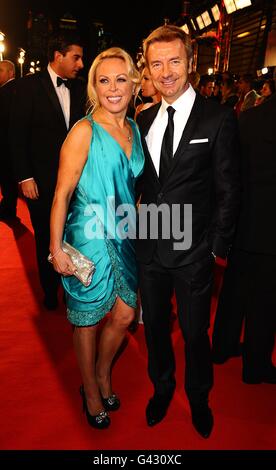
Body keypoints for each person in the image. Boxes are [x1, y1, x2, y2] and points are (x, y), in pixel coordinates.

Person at [136, 25, 240, 438]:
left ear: (191, 63)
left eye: (174, 61)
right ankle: (162, 389)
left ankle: (199, 397)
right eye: (156, 63)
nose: (165, 72)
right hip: (149, 249)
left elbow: (229, 189)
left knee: (196, 332)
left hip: (194, 251)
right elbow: (142, 185)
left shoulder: (218, 118)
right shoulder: (143, 119)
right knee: (157, 328)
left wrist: (214, 249)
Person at [49, 47, 144, 429]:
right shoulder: (84, 130)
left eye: (121, 79)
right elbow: (61, 194)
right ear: (93, 86)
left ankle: (103, 373)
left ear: (134, 83)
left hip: (124, 233)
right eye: (103, 80)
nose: (113, 88)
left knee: (124, 314)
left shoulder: (134, 128)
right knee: (86, 320)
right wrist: (56, 248)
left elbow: (132, 187)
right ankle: (90, 390)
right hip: (88, 235)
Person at [11, 31, 86, 310]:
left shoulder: (79, 89)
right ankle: (49, 292)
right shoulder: (29, 86)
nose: (80, 63)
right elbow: (16, 136)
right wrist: (24, 176)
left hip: (75, 182)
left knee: (73, 235)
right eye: (76, 57)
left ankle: (71, 290)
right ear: (58, 56)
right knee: (46, 236)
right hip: (40, 182)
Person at [212, 94, 276, 384]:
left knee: (234, 290)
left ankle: (222, 347)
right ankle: (255, 366)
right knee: (265, 299)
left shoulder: (248, 117)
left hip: (242, 221)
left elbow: (231, 172)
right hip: (270, 230)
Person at [0, 60, 18, 220]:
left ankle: (8, 209)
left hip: (6, 143)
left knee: (7, 178)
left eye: (1, 70)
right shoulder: (17, 89)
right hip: (12, 143)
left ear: (11, 72)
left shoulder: (5, 92)